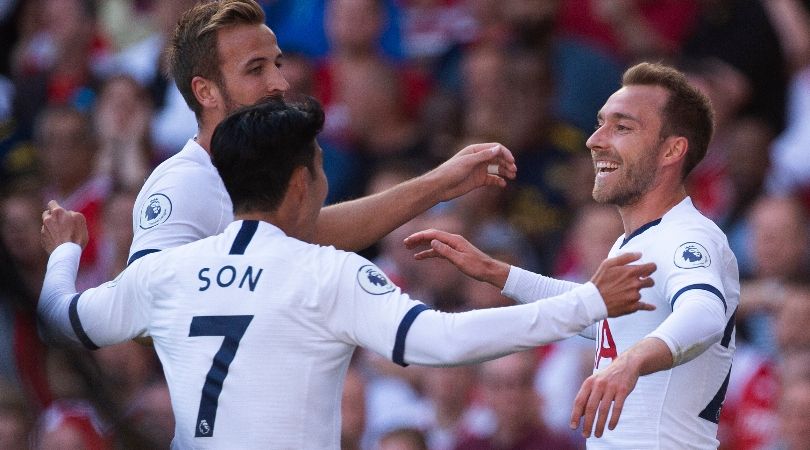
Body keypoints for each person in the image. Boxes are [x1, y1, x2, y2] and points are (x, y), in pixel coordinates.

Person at [38, 97, 657, 449]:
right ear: (304, 182)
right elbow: (441, 341)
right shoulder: (325, 272)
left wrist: (65, 251)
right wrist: (587, 302)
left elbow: (62, 320)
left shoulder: (165, 272)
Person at [405, 62, 740, 448]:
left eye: (623, 127)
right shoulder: (635, 242)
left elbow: (704, 313)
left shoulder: (689, 237)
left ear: (672, 150)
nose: (595, 140)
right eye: (600, 123)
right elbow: (596, 315)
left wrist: (630, 364)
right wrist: (495, 272)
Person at [127, 0, 518, 268]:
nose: (280, 83)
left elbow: (318, 231)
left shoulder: (257, 168)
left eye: (277, 64)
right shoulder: (182, 183)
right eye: (256, 69)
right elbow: (135, 309)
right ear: (205, 91)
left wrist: (441, 182)